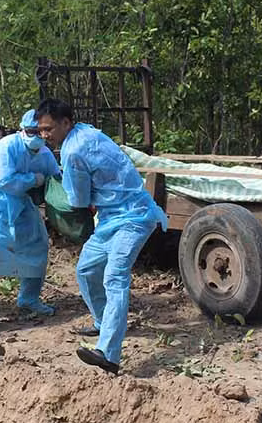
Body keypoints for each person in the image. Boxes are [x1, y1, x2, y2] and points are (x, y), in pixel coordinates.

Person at [35, 98, 167, 374]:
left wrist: (56, 194)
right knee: (85, 271)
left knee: (114, 277)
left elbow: (78, 199)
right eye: (41, 130)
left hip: (133, 217)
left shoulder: (72, 151)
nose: (44, 135)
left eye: (48, 129)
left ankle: (109, 353)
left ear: (66, 123)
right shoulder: (88, 131)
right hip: (111, 217)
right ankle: (103, 321)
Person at [0, 110, 61, 333]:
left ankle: (29, 299)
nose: (36, 136)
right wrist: (32, 179)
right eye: (31, 131)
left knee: (37, 245)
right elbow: (1, 181)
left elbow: (55, 174)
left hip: (21, 205)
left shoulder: (43, 152)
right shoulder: (5, 148)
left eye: (41, 132)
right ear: (22, 130)